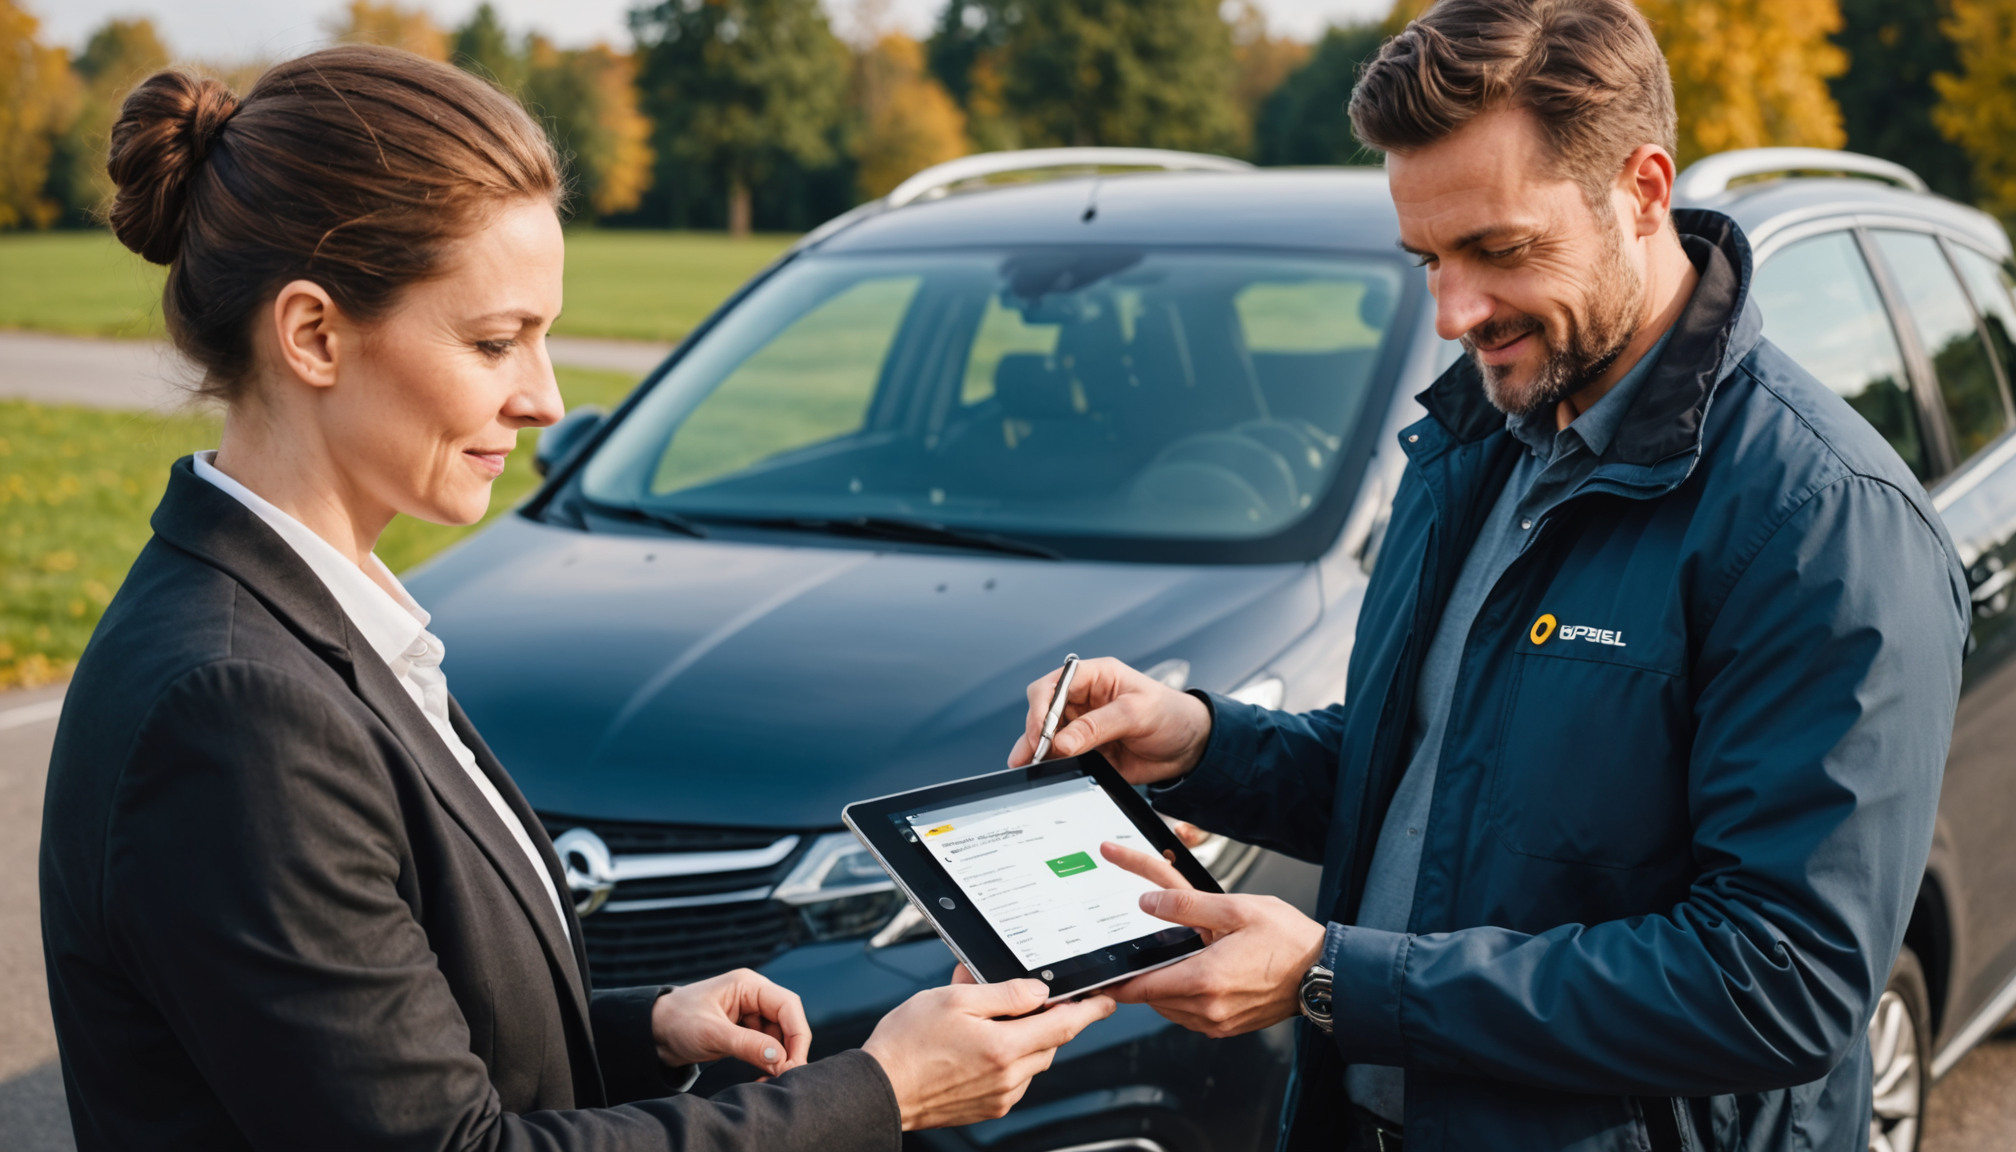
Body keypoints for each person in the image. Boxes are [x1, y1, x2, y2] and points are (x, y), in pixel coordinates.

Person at [39, 46, 1112, 1152]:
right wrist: (882, 1092)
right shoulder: (234, 707)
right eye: (496, 341)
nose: (546, 398)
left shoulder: (322, 618)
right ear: (314, 334)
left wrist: (642, 1031)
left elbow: (377, 1056)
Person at [1010, 2, 1969, 1149]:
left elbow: (1782, 979)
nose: (1453, 312)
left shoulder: (1821, 522)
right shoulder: (1479, 439)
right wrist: (1203, 743)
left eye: (1497, 251)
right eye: (1427, 258)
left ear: (1644, 190)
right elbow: (1431, 778)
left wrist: (1334, 980)